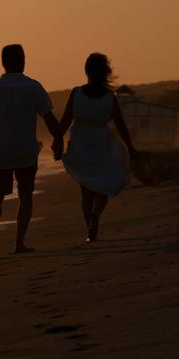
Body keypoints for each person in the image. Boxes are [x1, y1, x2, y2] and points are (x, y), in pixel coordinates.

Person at [0, 44, 63, 260]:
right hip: (26, 150)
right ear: (23, 61)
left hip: (0, 151)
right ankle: (19, 242)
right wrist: (59, 139)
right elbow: (49, 119)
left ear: (3, 63)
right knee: (25, 195)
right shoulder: (34, 87)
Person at [51, 53, 137, 242]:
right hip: (101, 142)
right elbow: (120, 124)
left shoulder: (77, 93)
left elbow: (65, 121)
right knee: (103, 185)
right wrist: (130, 148)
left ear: (86, 71)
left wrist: (57, 140)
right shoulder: (109, 98)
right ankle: (96, 215)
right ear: (105, 72)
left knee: (86, 188)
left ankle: (89, 225)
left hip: (81, 143)